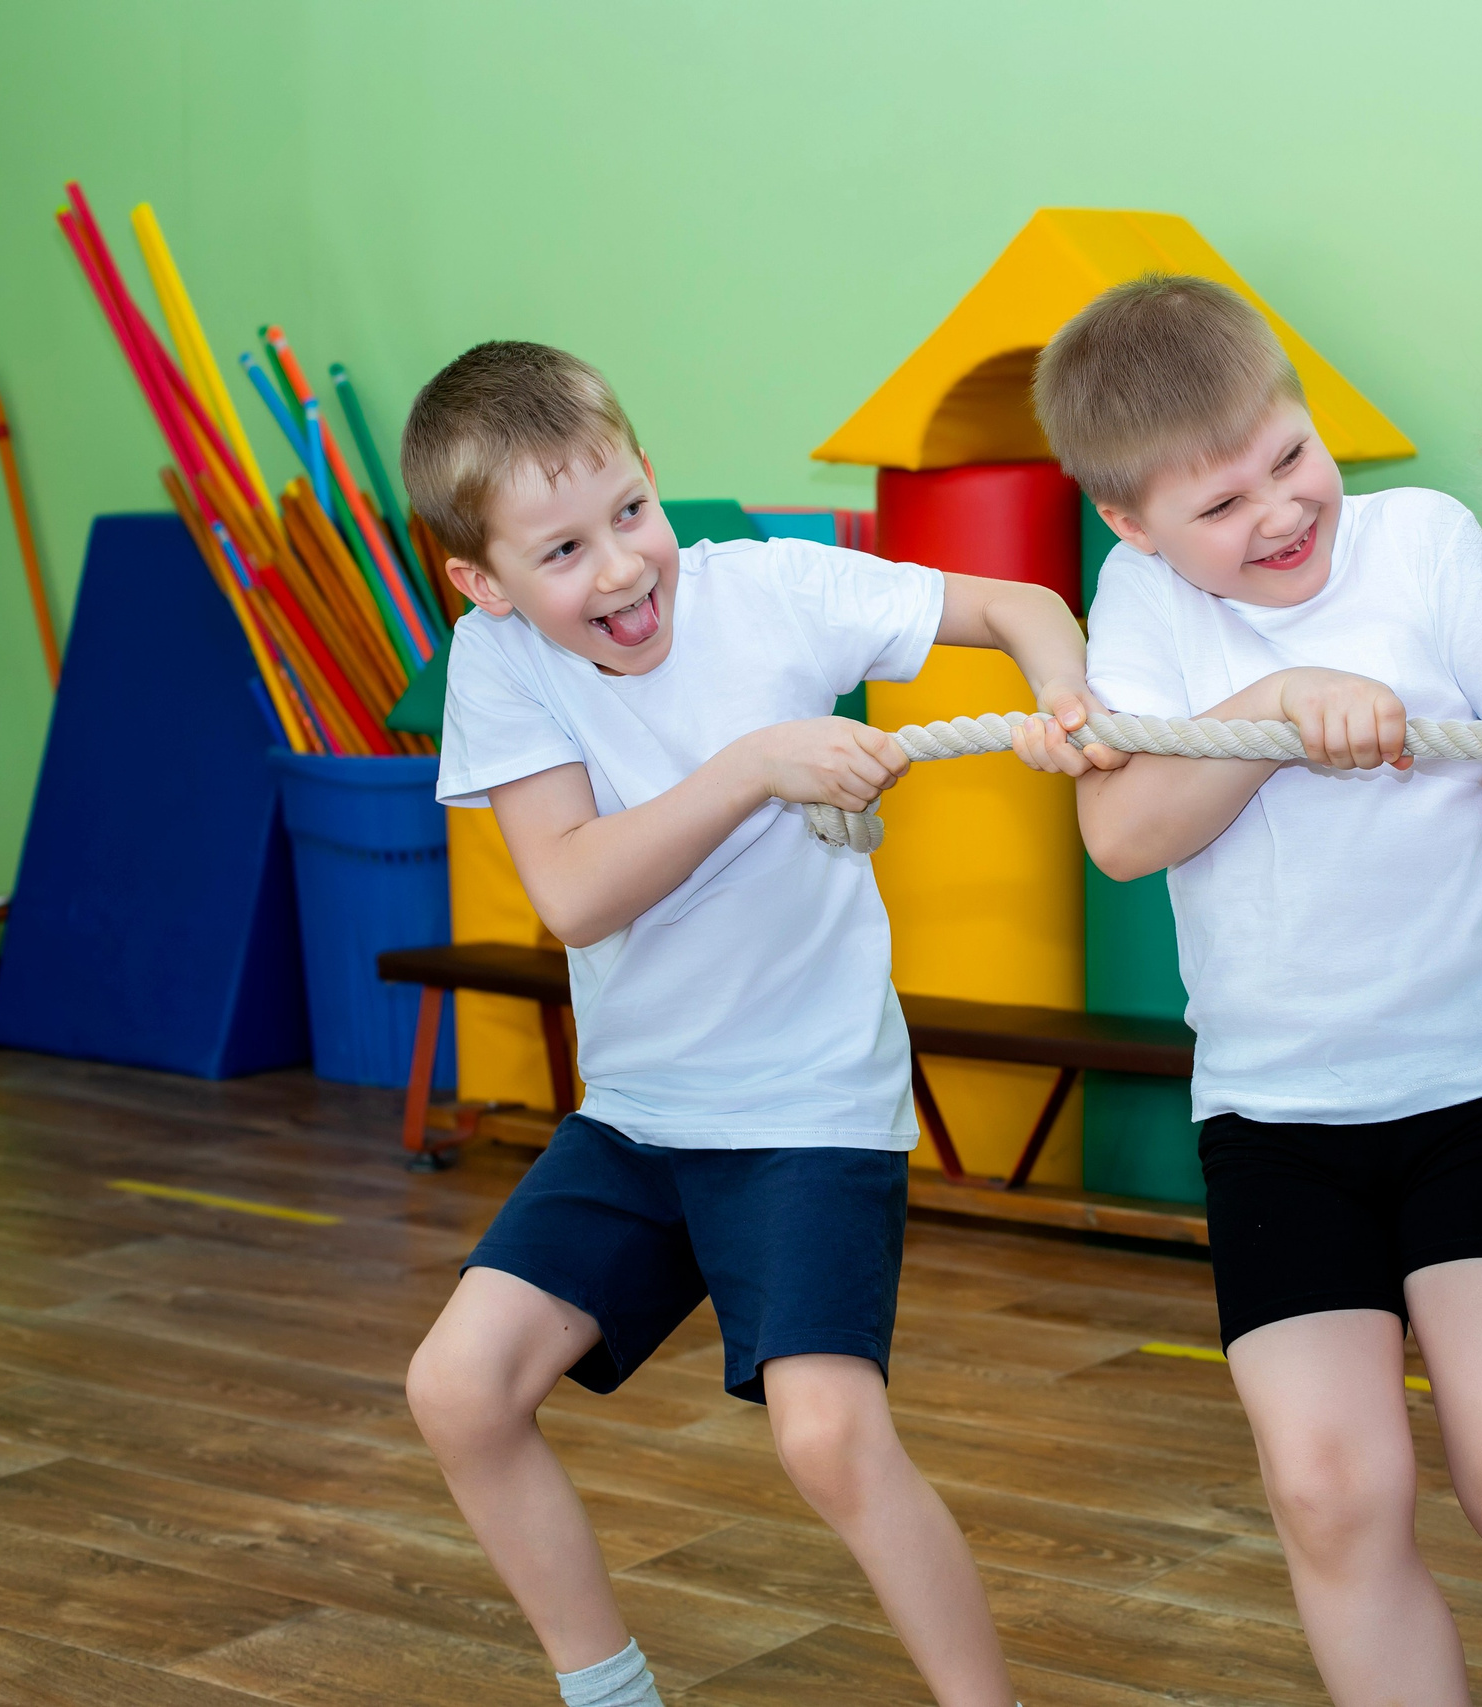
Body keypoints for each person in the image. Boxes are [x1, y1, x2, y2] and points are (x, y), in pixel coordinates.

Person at [397, 341, 1103, 1707]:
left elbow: (1019, 602)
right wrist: (754, 767)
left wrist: (1067, 693)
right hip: (643, 1119)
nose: (618, 568)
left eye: (629, 513)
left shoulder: (775, 590)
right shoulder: (498, 670)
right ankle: (608, 1691)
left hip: (807, 1108)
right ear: (479, 583)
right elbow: (578, 893)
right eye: (559, 552)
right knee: (459, 1389)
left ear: (654, 481)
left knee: (830, 1440)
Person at [1028, 277, 1482, 1707]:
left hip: (1474, 1096)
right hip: (1277, 1118)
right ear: (1131, 524)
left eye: (1286, 456)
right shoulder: (1139, 605)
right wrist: (1271, 712)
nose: (1277, 511)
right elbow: (1124, 836)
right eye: (1219, 504)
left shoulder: (1421, 544)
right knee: (1331, 1494)